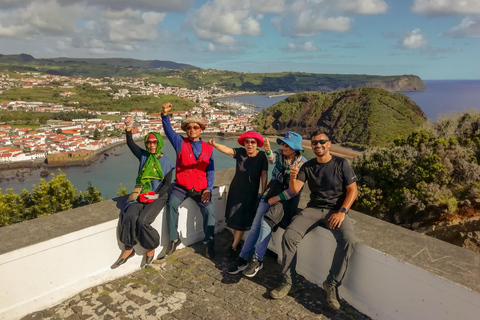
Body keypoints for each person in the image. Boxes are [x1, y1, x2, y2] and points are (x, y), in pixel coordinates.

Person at [270, 131, 358, 310]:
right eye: (315, 143)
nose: (318, 145)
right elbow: (295, 190)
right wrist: (293, 177)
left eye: (321, 142)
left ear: (329, 144)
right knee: (289, 236)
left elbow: (353, 191)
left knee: (348, 241)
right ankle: (289, 282)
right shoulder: (308, 166)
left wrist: (342, 211)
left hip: (336, 211)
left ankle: (331, 284)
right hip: (313, 209)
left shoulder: (342, 164)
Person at [228, 131, 307, 278]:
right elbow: (271, 159)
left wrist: (276, 198)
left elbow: (294, 191)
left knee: (265, 223)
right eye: (283, 143)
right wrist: (268, 150)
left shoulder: (302, 163)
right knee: (254, 227)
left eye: (287, 144)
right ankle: (243, 257)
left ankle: (257, 259)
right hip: (270, 192)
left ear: (295, 148)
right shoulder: (279, 153)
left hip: (284, 199)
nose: (283, 146)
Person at [112, 116, 174, 268]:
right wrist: (128, 127)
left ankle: (151, 246)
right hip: (141, 192)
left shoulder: (166, 162)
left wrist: (155, 195)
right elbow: (130, 143)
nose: (151, 145)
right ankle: (128, 248)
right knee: (128, 215)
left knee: (143, 221)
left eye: (154, 142)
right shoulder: (143, 156)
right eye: (149, 142)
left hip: (158, 195)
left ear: (159, 143)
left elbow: (166, 184)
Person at [159, 102, 217, 259]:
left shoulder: (208, 148)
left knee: (209, 212)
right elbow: (169, 131)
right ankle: (173, 239)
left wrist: (208, 189)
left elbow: (210, 171)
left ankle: (209, 243)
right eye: (189, 127)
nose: (192, 130)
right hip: (181, 186)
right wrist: (165, 115)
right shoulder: (180, 143)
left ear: (201, 129)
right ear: (185, 130)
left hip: (200, 187)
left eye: (195, 127)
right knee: (171, 204)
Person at [208, 132, 268, 257]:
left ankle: (234, 246)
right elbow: (227, 150)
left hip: (250, 193)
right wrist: (214, 144)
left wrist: (263, 192)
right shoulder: (240, 152)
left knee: (241, 220)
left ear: (257, 144)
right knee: (235, 217)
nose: (250, 144)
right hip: (236, 190)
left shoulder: (262, 156)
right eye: (247, 142)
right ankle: (236, 241)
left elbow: (264, 174)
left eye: (253, 142)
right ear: (244, 143)